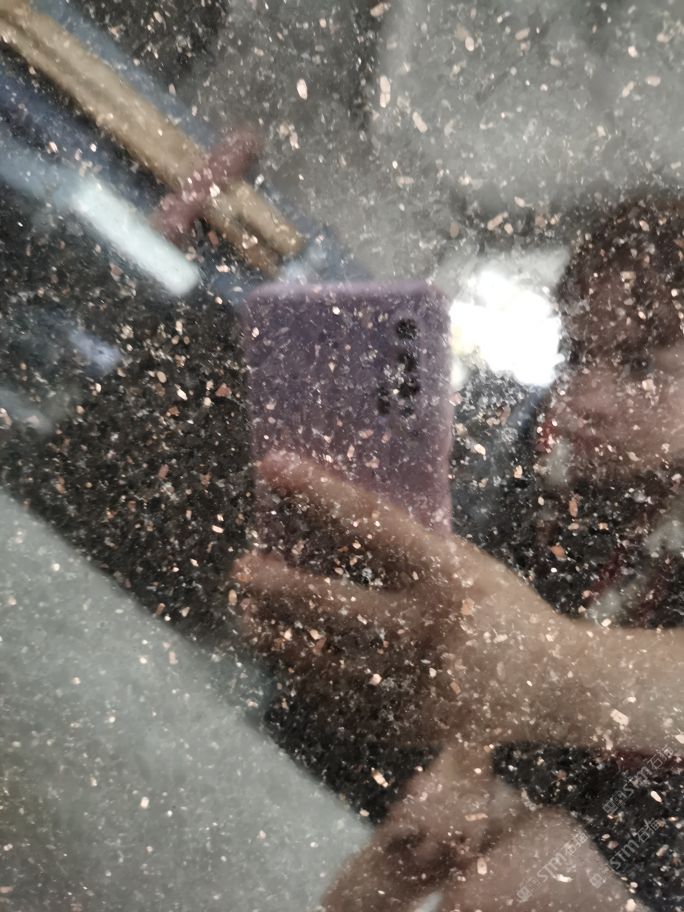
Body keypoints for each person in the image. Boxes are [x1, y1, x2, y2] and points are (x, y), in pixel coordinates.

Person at [233, 196, 684, 910]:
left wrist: (543, 668)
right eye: (577, 353)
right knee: (390, 865)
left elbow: (523, 653)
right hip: (582, 753)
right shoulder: (568, 457)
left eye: (638, 366)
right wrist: (464, 767)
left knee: (502, 896)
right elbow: (511, 600)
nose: (585, 399)